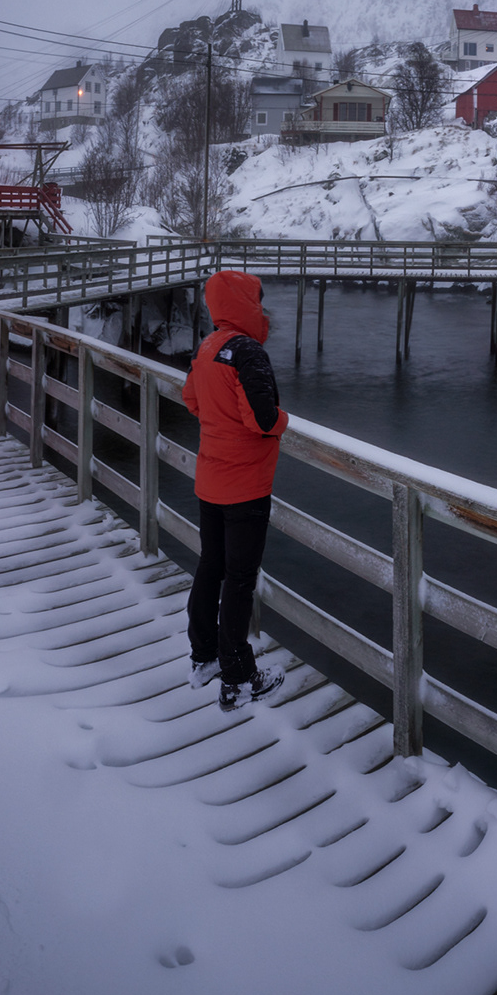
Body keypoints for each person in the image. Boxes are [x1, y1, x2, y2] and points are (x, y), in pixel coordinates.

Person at [183, 267, 287, 709]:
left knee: (211, 567)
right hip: (245, 484)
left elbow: (191, 399)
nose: (262, 309)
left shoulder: (208, 346)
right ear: (247, 304)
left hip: (210, 478)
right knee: (240, 580)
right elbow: (263, 419)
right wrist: (284, 421)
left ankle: (204, 657)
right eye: (257, 301)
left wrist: (220, 420)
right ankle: (239, 678)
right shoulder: (248, 351)